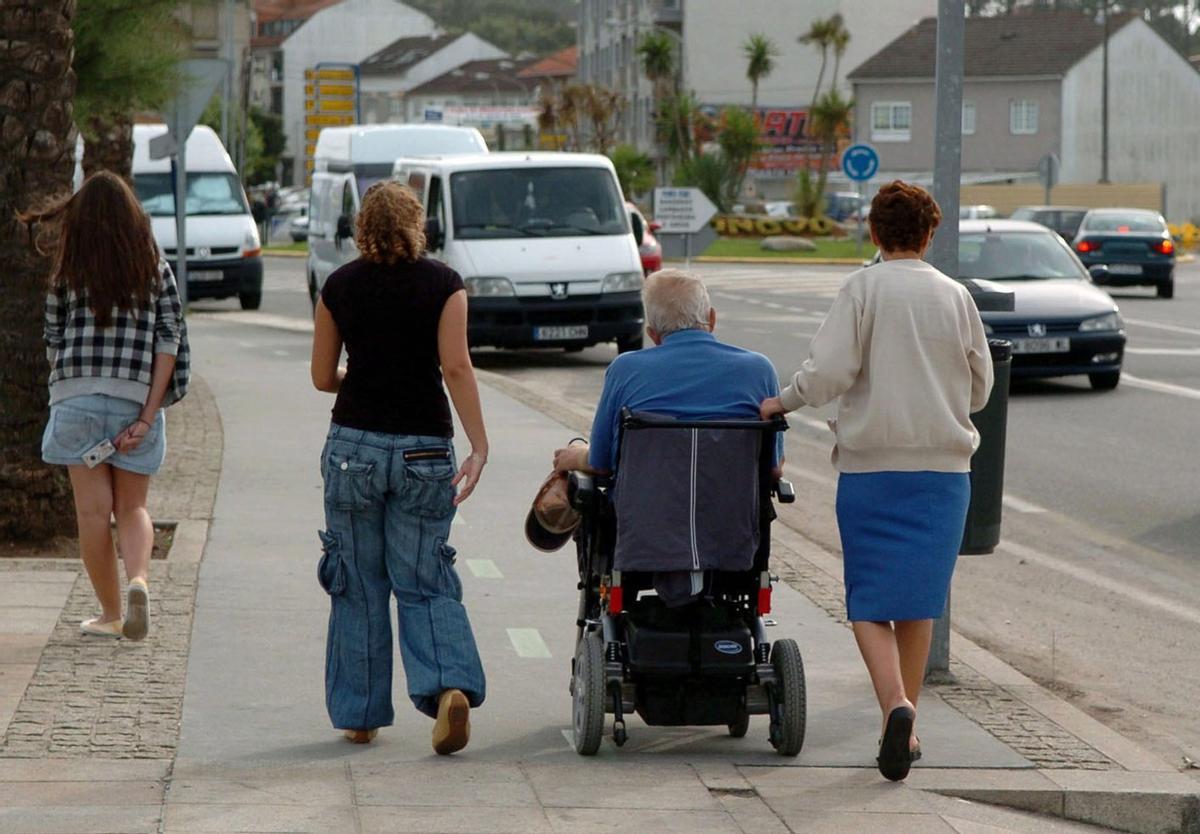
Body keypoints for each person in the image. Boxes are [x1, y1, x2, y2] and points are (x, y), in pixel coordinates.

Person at [760, 180, 993, 781]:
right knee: (919, 604)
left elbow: (830, 372)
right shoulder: (955, 296)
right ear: (931, 233)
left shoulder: (861, 289)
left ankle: (896, 705)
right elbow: (982, 384)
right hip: (943, 474)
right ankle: (907, 726)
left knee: (867, 601)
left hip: (872, 469)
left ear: (873, 232)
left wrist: (782, 401)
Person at [310, 181, 488, 754]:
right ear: (418, 223)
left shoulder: (338, 286)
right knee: (424, 578)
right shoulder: (445, 285)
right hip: (424, 450)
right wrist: (478, 445)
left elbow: (321, 377)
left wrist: (359, 377)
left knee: (357, 584)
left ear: (363, 226)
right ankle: (447, 690)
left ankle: (360, 716)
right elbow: (455, 368)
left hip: (353, 448)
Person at [28, 171, 184, 642]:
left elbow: (52, 340)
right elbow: (169, 341)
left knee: (93, 515)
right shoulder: (154, 268)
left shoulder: (66, 270)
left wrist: (74, 382)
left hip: (76, 400)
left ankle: (112, 614)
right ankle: (139, 581)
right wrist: (146, 412)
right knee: (133, 507)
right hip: (136, 400)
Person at [553, 267, 784, 478]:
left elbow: (601, 464)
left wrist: (576, 455)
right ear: (711, 319)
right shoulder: (759, 370)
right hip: (735, 520)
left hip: (645, 520)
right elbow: (773, 469)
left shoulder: (626, 370)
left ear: (653, 334)